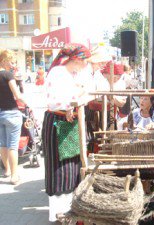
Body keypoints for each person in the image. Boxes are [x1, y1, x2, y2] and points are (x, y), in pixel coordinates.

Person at [42, 43, 91, 222]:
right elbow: (57, 99)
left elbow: (84, 93)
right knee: (59, 167)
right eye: (86, 60)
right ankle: (59, 212)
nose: (87, 64)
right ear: (77, 59)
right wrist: (72, 101)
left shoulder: (75, 74)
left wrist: (75, 99)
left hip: (70, 123)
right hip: (57, 122)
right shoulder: (58, 72)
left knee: (72, 165)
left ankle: (72, 209)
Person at [0, 49, 28, 185]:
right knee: (12, 145)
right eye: (11, 61)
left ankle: (6, 171)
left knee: (3, 144)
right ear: (3, 60)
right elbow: (17, 95)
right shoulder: (7, 75)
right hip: (11, 112)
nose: (12, 64)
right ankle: (14, 175)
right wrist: (27, 102)